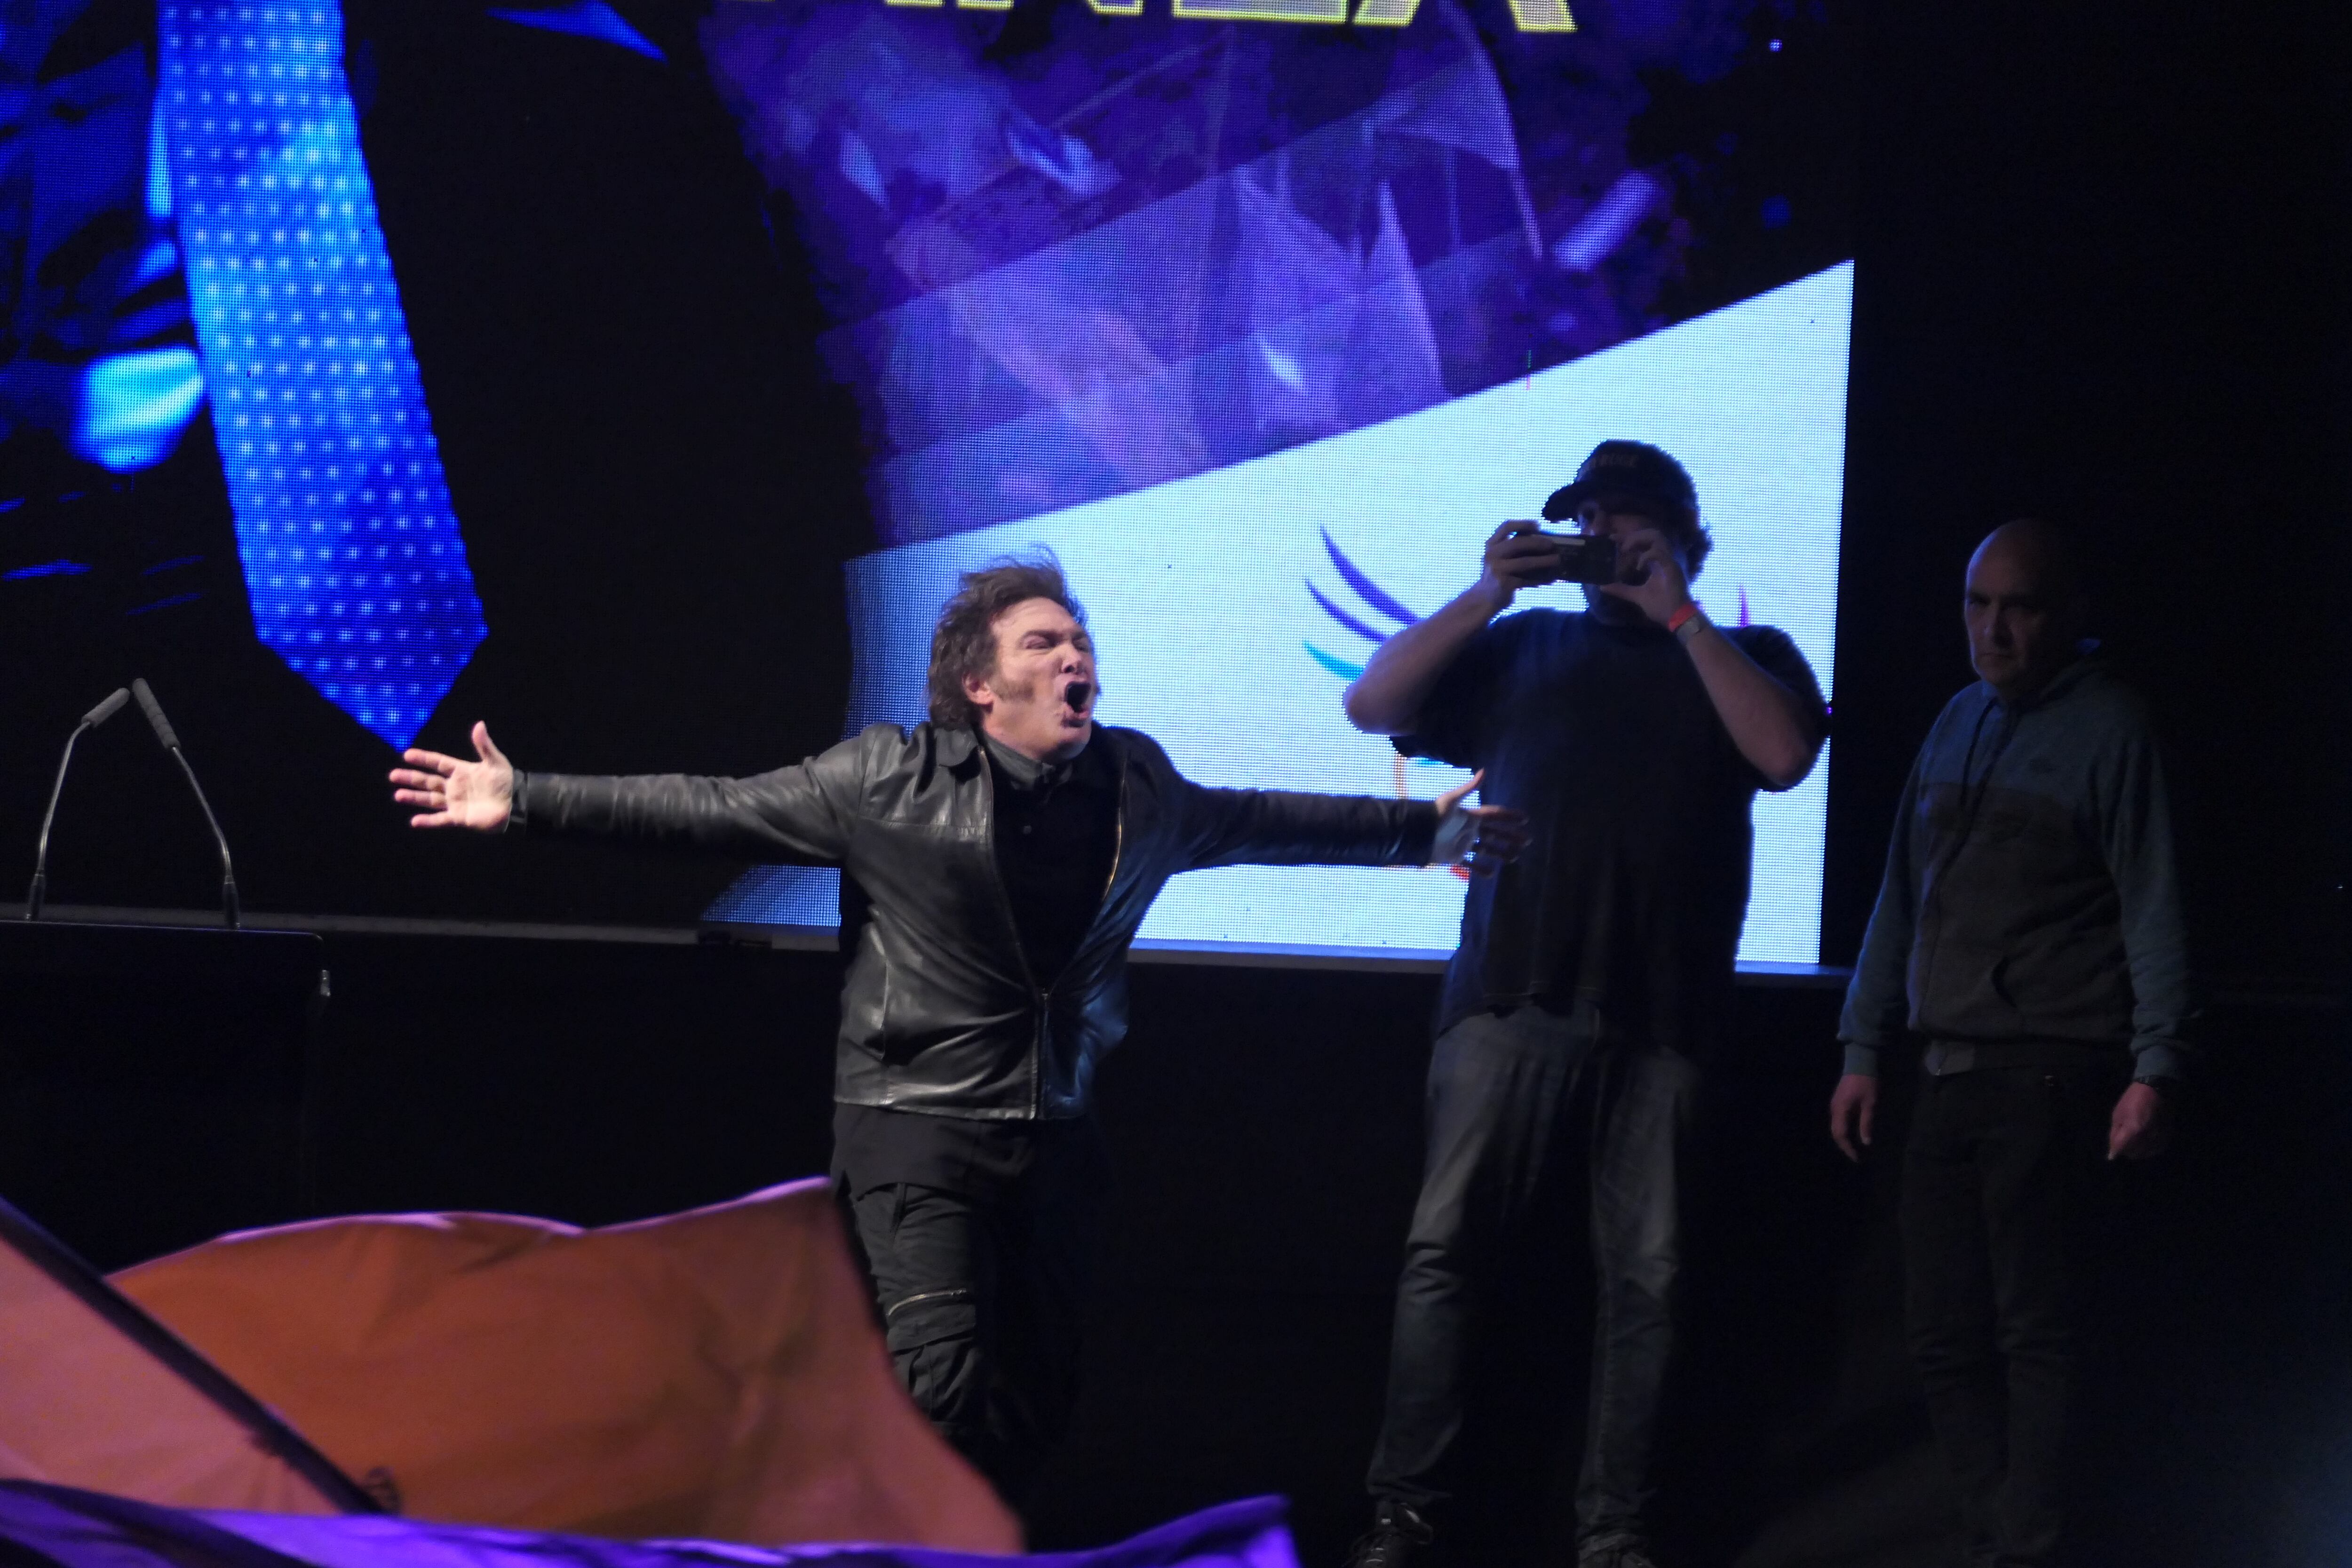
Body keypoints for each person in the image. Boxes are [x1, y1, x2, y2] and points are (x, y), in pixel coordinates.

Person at [388, 552, 1527, 1508]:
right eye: (1042, 643)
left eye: (1078, 640)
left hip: (1057, 1136)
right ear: (980, 685)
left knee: (1035, 1404)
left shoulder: (1136, 784)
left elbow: (1257, 820)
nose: (1074, 657)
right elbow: (710, 805)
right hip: (915, 1131)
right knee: (940, 1388)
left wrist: (1414, 836)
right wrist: (527, 796)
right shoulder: (889, 780)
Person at [1339, 440, 1828, 1568]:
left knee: (1648, 1284)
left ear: (1680, 535)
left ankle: (1614, 1533)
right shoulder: (1524, 644)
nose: (1599, 538)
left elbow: (1785, 755)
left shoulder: (1746, 650)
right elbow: (1372, 703)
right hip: (1508, 1001)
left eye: (1623, 521)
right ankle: (1403, 1517)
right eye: (1585, 521)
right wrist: (1485, 592)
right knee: (1444, 1259)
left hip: (1665, 1021)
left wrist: (1680, 614)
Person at [1828, 519, 2193, 1568]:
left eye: (2018, 606)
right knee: (1942, 1332)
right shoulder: (1958, 718)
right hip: (1943, 1069)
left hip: (2046, 1069)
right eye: (1976, 604)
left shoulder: (2109, 727)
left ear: (2065, 615)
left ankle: (2024, 1548)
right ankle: (1995, 1540)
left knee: (2035, 1328)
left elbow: (2154, 903)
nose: (1992, 629)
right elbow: (1900, 896)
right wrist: (1861, 1046)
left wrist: (2157, 1066)